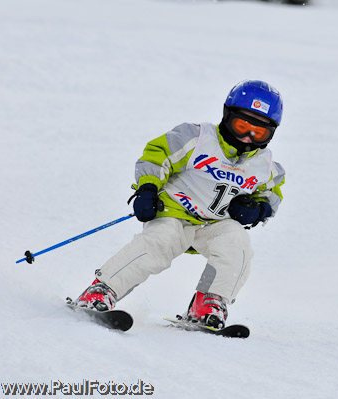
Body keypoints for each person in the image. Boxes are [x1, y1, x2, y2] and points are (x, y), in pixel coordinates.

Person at [72, 79, 286, 329]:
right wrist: (148, 188)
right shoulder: (196, 138)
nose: (248, 137)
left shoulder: (266, 165)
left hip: (214, 224)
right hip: (174, 213)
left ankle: (208, 303)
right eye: (241, 126)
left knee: (237, 244)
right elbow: (157, 156)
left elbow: (272, 194)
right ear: (227, 116)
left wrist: (258, 209)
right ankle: (101, 291)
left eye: (258, 132)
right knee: (159, 241)